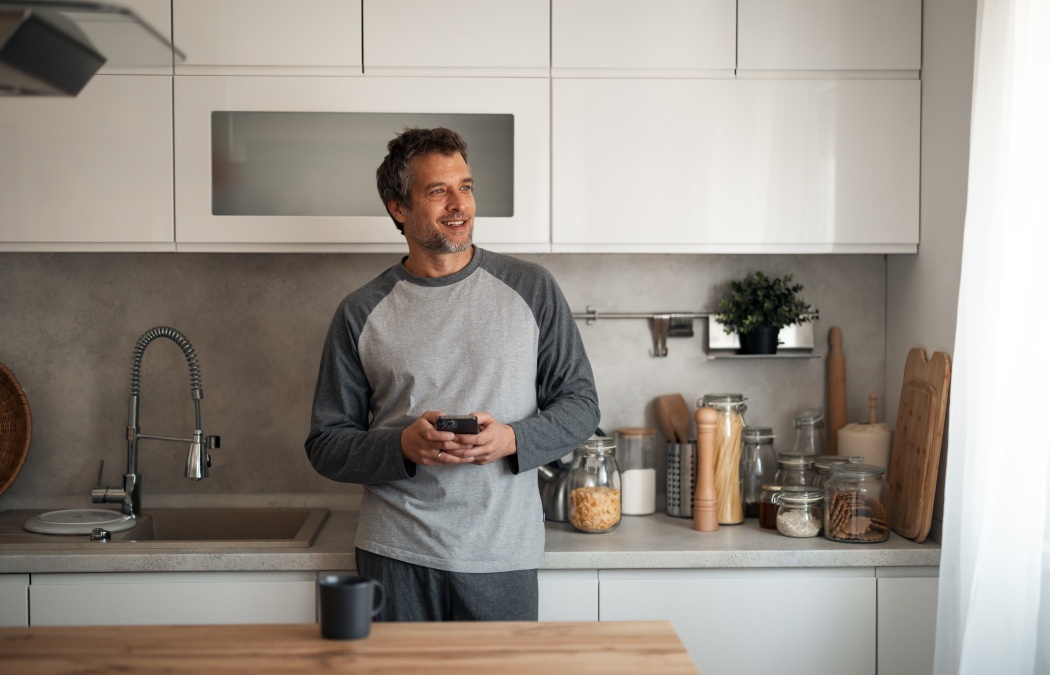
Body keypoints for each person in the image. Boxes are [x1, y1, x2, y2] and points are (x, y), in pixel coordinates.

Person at [304, 127, 600, 621]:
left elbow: (581, 405)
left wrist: (511, 439)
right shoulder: (360, 312)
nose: (458, 204)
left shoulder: (532, 288)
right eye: (438, 191)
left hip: (501, 553)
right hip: (395, 555)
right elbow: (326, 443)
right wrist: (401, 447)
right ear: (399, 207)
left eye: (465, 186)